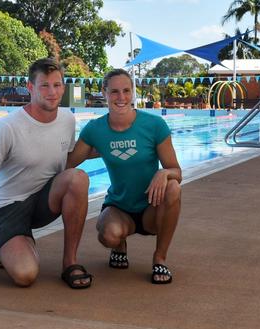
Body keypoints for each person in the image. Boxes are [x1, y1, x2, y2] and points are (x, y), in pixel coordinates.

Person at [0, 58, 92, 289]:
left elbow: (68, 158)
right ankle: (11, 243)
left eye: (57, 85)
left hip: (42, 201)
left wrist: (111, 147)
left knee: (78, 178)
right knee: (26, 275)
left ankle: (70, 263)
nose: (52, 92)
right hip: (7, 208)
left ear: (63, 88)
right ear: (30, 87)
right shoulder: (8, 127)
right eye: (44, 85)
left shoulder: (67, 119)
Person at [67, 69, 182, 284]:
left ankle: (160, 258)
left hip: (151, 207)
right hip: (119, 207)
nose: (121, 97)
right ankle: (120, 244)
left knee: (174, 187)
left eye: (126, 91)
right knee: (108, 235)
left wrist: (163, 172)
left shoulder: (154, 125)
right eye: (115, 92)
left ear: (133, 93)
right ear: (105, 93)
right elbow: (69, 162)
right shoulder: (95, 129)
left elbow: (176, 171)